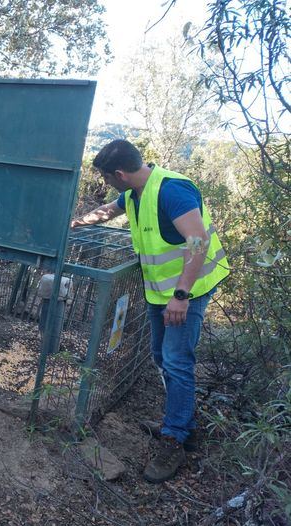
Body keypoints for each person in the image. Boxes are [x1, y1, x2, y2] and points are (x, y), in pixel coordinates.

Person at [71, 140, 229, 483]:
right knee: (161, 356)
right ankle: (182, 423)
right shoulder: (133, 194)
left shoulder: (172, 191)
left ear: (120, 174)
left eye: (106, 178)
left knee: (176, 361)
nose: (107, 184)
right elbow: (108, 211)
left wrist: (182, 295)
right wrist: (77, 223)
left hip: (188, 291)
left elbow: (198, 241)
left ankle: (174, 440)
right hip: (161, 293)